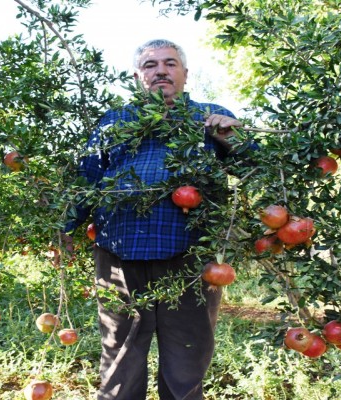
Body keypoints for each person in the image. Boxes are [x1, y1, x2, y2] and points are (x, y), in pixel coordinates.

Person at [62, 39, 245, 400]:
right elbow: (88, 179)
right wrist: (68, 227)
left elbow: (256, 169)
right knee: (120, 359)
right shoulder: (115, 120)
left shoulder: (211, 117)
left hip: (190, 258)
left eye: (170, 63)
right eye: (150, 65)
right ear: (137, 77)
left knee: (187, 361)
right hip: (118, 254)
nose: (160, 70)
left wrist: (235, 140)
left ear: (185, 74)